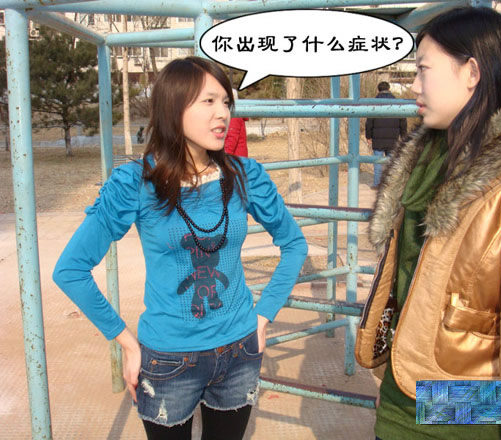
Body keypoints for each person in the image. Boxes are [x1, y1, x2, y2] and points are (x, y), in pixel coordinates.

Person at [53, 57, 308, 440]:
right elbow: (70, 269)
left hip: (239, 352)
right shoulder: (135, 184)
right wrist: (126, 343)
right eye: (209, 101)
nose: (222, 113)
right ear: (174, 108)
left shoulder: (245, 176)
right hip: (168, 360)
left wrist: (263, 316)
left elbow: (294, 244)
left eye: (226, 102)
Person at [357, 7, 501, 440]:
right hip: (402, 397)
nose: (413, 85)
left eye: (424, 70)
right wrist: (399, 386)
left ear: (472, 72)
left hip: (474, 407)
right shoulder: (424, 154)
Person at [365, 81, 407, 188]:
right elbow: (403, 121)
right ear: (389, 89)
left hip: (377, 138)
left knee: (377, 162)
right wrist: (403, 136)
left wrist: (368, 136)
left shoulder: (374, 103)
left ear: (378, 90)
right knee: (391, 163)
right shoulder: (397, 103)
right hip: (393, 137)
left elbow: (369, 122)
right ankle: (389, 185)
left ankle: (377, 184)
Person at [224, 89, 249, 157]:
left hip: (235, 158)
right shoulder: (235, 115)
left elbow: (231, 138)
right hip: (238, 157)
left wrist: (225, 155)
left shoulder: (234, 116)